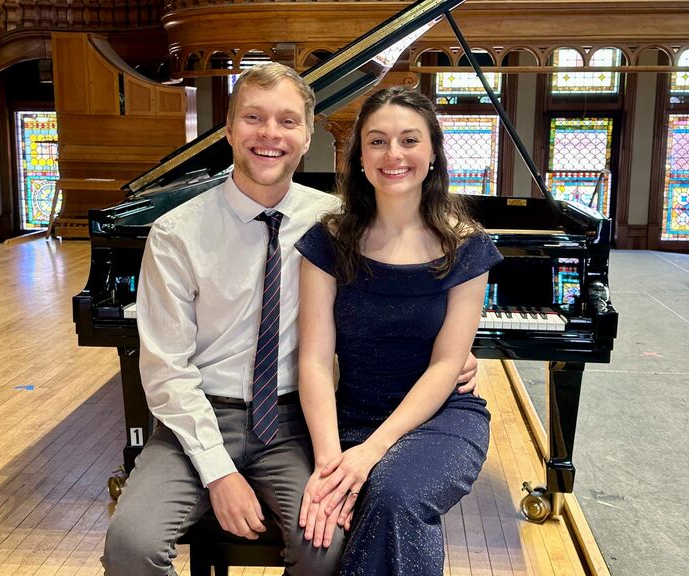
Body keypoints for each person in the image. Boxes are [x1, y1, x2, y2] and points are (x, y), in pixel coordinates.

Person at [102, 63, 479, 575]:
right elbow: (166, 370)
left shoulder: (337, 224)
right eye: (253, 118)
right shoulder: (176, 233)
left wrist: (451, 350)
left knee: (322, 549)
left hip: (291, 420)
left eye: (287, 121)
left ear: (307, 137)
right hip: (197, 415)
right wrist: (218, 474)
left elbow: (396, 294)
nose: (269, 135)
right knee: (130, 546)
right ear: (230, 130)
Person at [295, 86, 503, 575]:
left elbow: (448, 364)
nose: (394, 155)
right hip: (348, 416)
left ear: (432, 154)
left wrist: (370, 452)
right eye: (377, 141)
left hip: (441, 417)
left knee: (394, 496)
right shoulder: (328, 241)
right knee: (340, 511)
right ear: (360, 157)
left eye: (410, 140)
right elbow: (315, 360)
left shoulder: (466, 247)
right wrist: (332, 466)